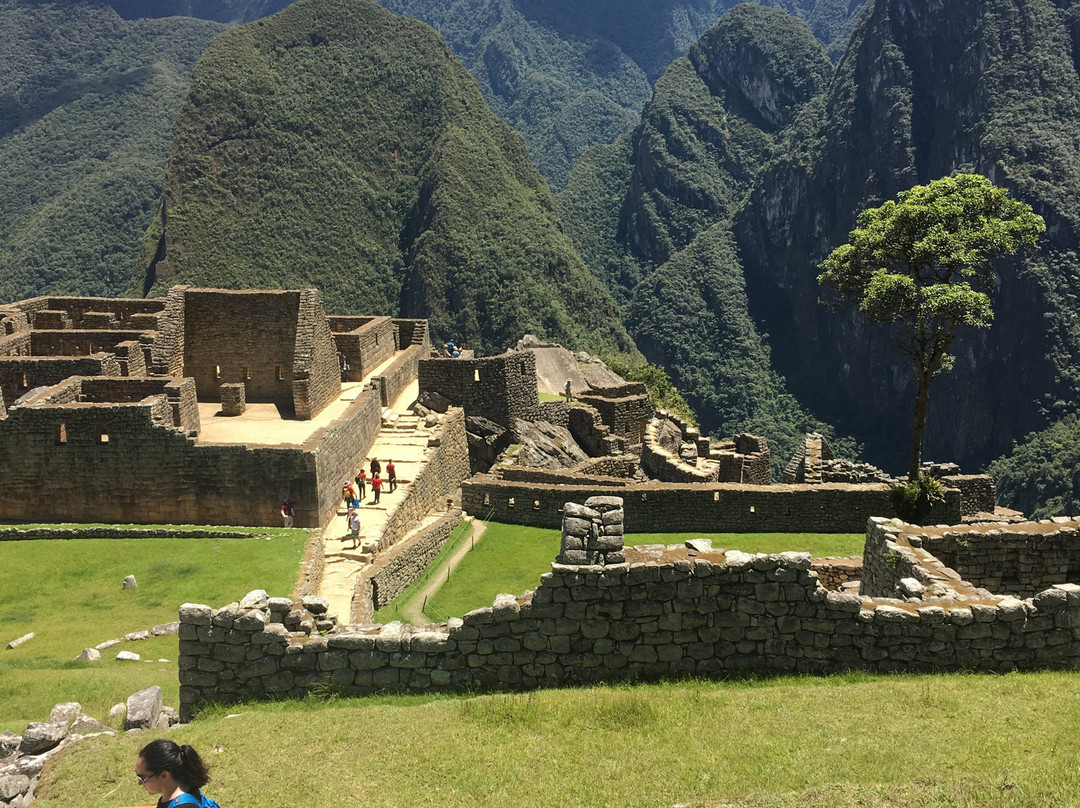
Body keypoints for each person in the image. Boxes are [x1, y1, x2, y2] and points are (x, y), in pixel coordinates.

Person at [136, 738, 219, 808]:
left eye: (143, 778)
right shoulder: (183, 788)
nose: (139, 783)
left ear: (164, 775)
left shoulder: (185, 806)